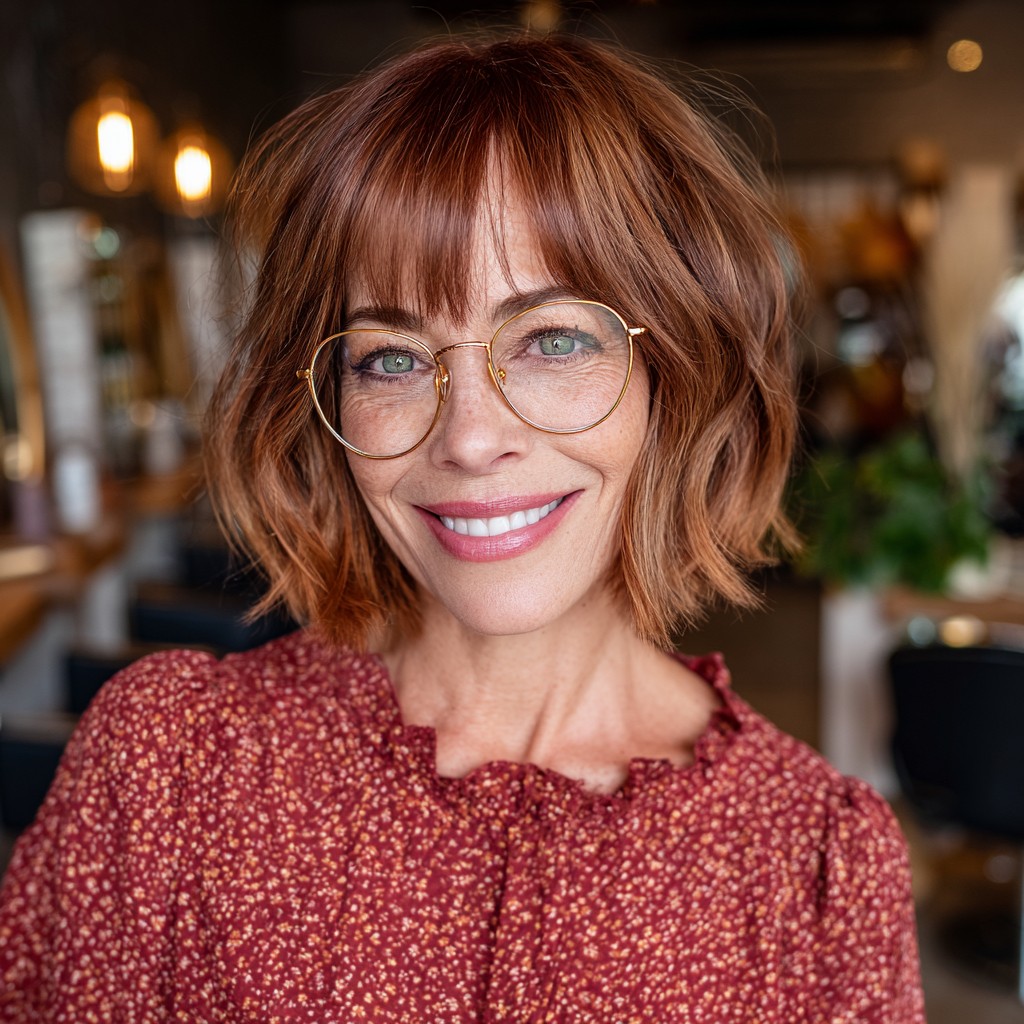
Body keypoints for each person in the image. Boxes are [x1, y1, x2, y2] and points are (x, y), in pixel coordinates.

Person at [0, 32, 925, 1022]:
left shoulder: (817, 866)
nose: (471, 437)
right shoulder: (171, 771)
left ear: (676, 374)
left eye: (553, 339)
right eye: (392, 358)